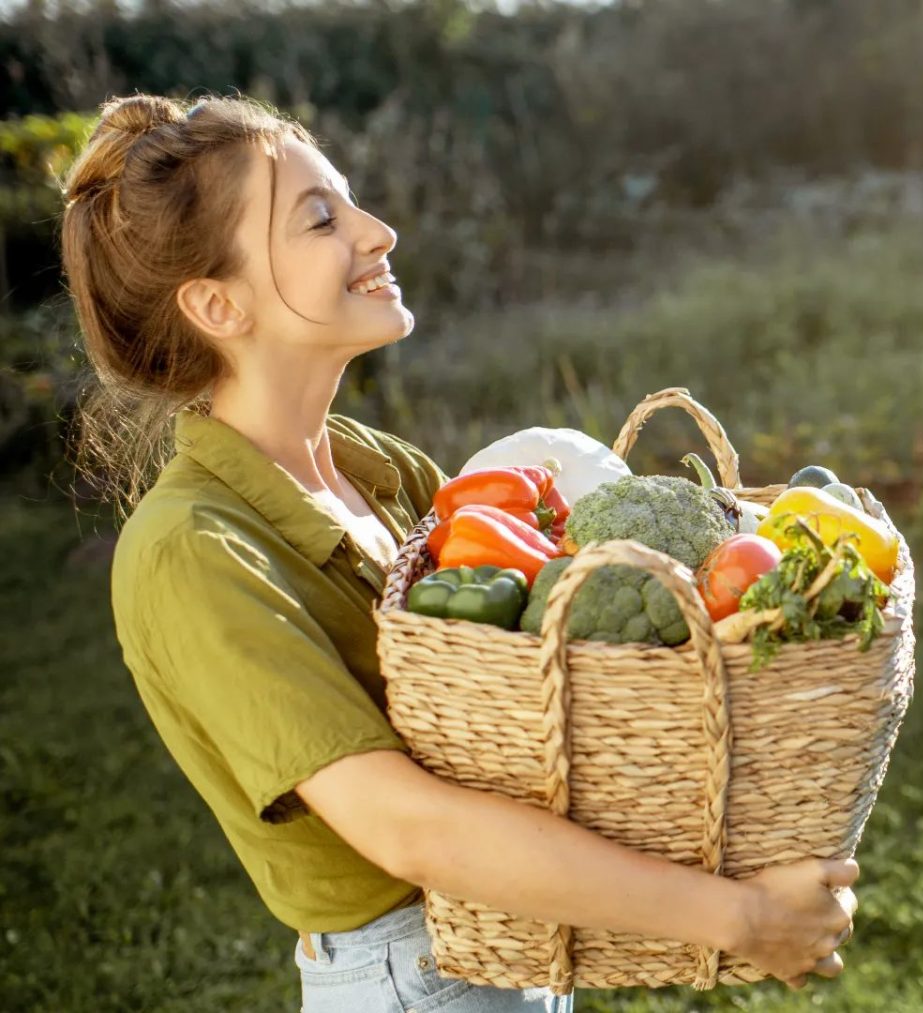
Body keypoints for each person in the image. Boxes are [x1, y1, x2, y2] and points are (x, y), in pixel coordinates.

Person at [63, 93, 856, 1012]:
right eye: (320, 218)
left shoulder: (383, 469)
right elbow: (408, 827)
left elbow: (529, 687)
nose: (380, 232)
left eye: (350, 202)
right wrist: (737, 917)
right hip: (417, 975)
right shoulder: (190, 550)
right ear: (216, 302)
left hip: (512, 937)